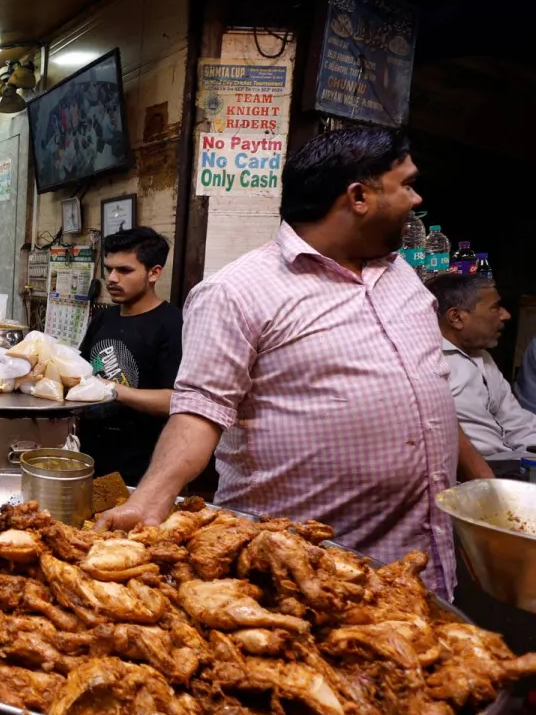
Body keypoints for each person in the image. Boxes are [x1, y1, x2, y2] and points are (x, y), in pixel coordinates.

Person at [101, 127, 492, 598]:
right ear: (358, 196)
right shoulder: (239, 291)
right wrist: (149, 499)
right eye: (405, 184)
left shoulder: (402, 275)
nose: (416, 198)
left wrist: (488, 492)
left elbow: (428, 396)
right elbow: (200, 410)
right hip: (296, 581)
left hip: (418, 570)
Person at [76, 227, 183, 486]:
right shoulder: (105, 318)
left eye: (124, 270)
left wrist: (111, 389)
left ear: (154, 272)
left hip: (140, 466)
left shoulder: (173, 325)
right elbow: (81, 370)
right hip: (90, 455)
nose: (112, 278)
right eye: (109, 268)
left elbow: (175, 401)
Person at [429, 273, 536, 460]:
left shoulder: (482, 357)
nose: (506, 315)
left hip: (513, 466)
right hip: (476, 477)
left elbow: (516, 422)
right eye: (495, 308)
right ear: (456, 317)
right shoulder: (431, 364)